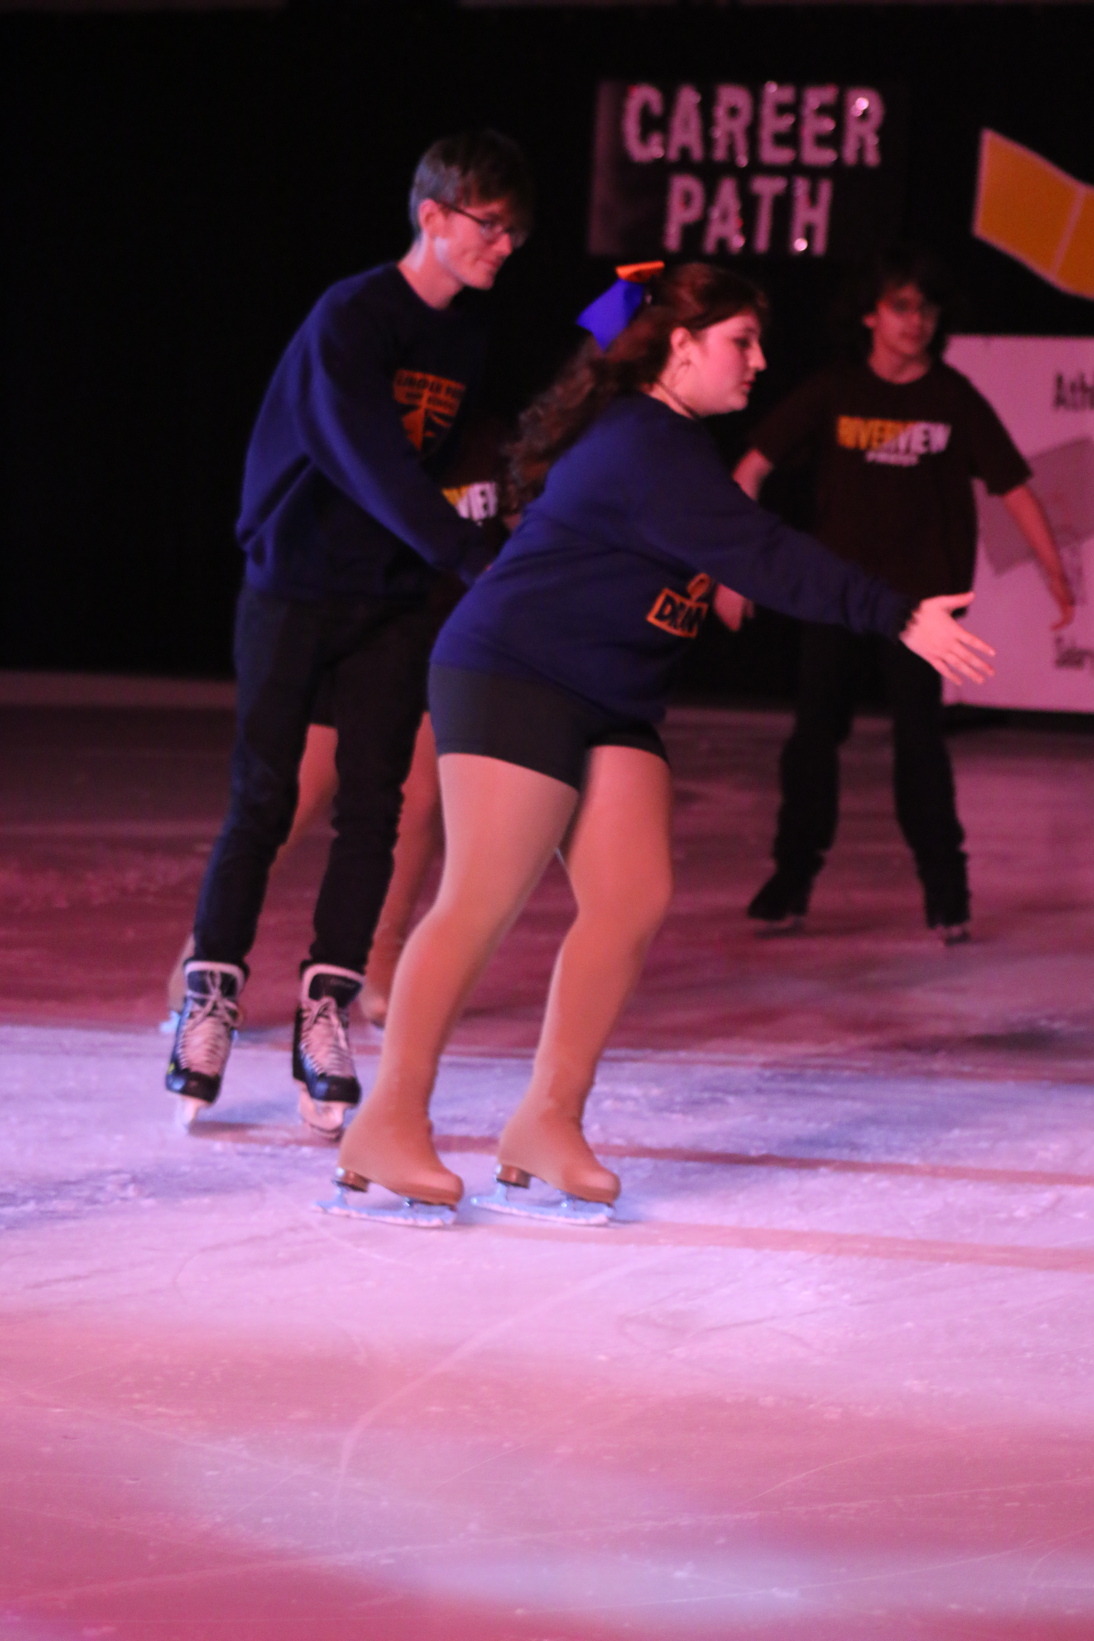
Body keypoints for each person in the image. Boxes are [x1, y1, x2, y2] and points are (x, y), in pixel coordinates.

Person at [326, 262, 994, 1228]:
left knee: (633, 895)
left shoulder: (670, 443)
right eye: (741, 342)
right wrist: (895, 613)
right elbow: (766, 553)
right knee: (479, 898)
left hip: (608, 697)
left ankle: (545, 1125)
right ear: (679, 347)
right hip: (515, 674)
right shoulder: (644, 440)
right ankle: (386, 1123)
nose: (758, 361)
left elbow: (739, 549)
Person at [165, 130, 532, 1136]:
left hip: (393, 600)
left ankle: (324, 1012)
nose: (505, 245)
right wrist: (469, 555)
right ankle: (208, 1001)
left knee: (375, 807)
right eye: (491, 224)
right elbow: (368, 458)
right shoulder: (352, 317)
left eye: (516, 231)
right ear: (432, 215)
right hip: (295, 587)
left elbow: (491, 431)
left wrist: (625, 318)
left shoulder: (469, 334)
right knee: (263, 797)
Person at [733, 245, 1073, 942]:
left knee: (920, 742)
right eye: (902, 306)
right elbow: (751, 465)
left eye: (927, 308)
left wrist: (1054, 570)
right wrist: (735, 569)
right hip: (835, 597)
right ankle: (790, 883)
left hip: (923, 609)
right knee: (813, 737)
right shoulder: (834, 389)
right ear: (870, 313)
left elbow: (1012, 485)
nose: (917, 321)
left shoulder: (951, 396)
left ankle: (948, 896)